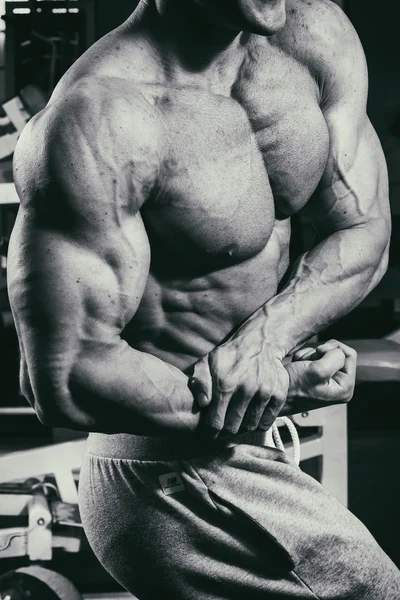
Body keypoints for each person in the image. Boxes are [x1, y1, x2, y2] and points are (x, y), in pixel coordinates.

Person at [8, 0, 400, 597]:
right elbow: (65, 378)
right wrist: (284, 388)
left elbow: (362, 227)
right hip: (167, 476)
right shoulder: (100, 115)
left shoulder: (313, 36)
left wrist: (268, 338)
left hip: (252, 455)